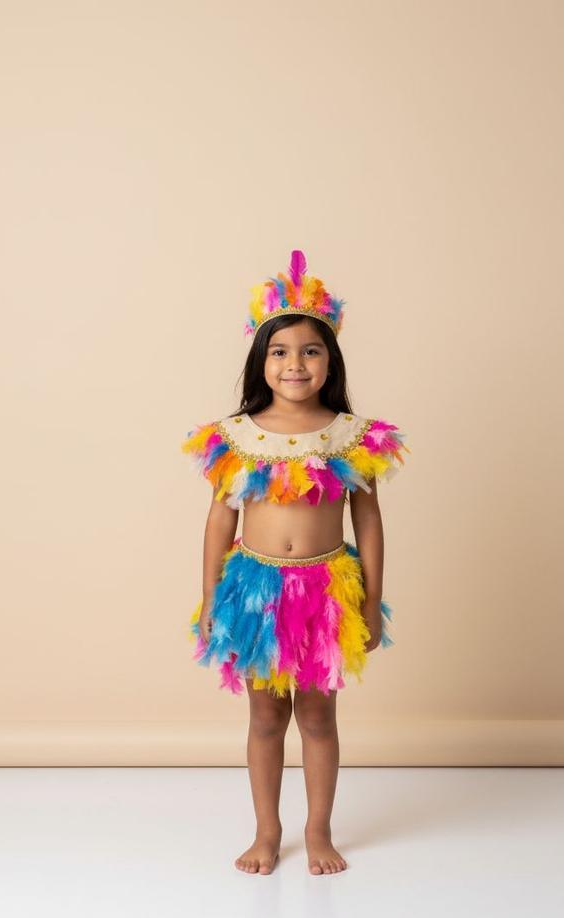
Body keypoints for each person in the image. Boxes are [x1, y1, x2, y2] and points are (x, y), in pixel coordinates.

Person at [181, 249, 408, 876]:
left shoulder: (350, 436)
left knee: (317, 716)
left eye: (310, 351)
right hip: (255, 591)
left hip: (325, 590)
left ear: (330, 360)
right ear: (261, 361)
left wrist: (370, 599)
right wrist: (210, 596)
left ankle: (318, 831)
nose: (295, 364)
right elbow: (221, 519)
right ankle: (266, 831)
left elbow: (368, 520)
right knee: (264, 717)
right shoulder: (238, 435)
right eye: (280, 351)